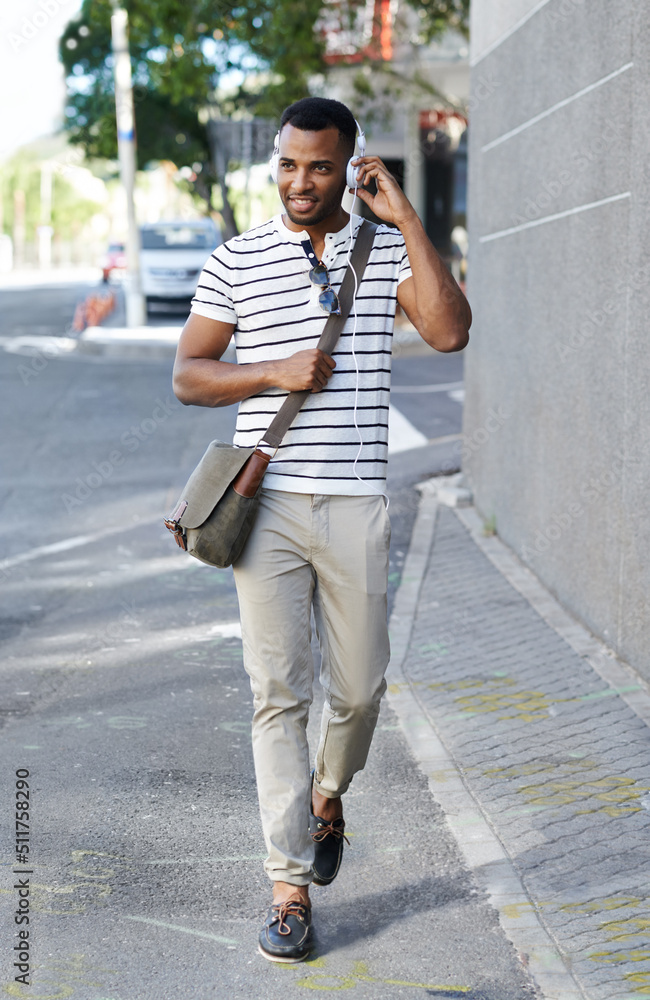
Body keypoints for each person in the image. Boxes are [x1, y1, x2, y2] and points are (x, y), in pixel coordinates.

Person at [172, 96, 470, 963]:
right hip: (265, 508)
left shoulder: (382, 250)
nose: (303, 182)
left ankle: (329, 795)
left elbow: (450, 331)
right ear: (276, 164)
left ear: (353, 166)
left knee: (361, 687)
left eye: (322, 166)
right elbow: (190, 375)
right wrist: (273, 370)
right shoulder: (239, 258)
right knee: (277, 696)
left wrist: (405, 214)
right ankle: (288, 888)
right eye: (290, 165)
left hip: (356, 502)